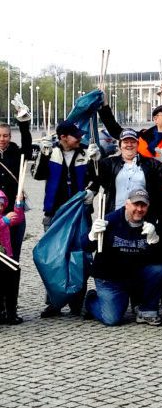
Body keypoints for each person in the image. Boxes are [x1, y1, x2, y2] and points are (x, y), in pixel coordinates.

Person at [99, 83, 162, 220]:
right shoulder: (141, 137)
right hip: (148, 192)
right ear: (155, 119)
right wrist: (104, 106)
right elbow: (115, 129)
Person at [33, 120, 91, 318]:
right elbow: (37, 175)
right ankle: (54, 302)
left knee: (78, 256)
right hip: (54, 212)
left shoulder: (85, 153)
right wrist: (43, 154)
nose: (80, 138)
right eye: (76, 135)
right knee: (53, 259)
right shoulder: (52, 152)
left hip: (78, 212)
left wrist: (92, 187)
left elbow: (97, 179)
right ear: (63, 137)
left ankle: (77, 302)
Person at [84, 189, 162, 326]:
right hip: (110, 279)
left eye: (143, 205)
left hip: (134, 274)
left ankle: (146, 311)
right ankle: (91, 300)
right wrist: (92, 235)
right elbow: (86, 247)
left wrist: (155, 240)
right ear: (127, 204)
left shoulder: (151, 222)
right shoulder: (110, 220)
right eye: (136, 205)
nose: (139, 209)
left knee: (158, 270)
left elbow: (161, 258)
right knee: (112, 319)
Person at [87, 128, 162, 214]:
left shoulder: (151, 163)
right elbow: (95, 176)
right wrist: (93, 161)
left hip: (142, 215)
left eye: (133, 142)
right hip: (115, 215)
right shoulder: (109, 163)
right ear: (120, 145)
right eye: (125, 142)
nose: (129, 145)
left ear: (138, 144)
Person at [0, 95, 32, 266]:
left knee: (13, 259)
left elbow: (27, 149)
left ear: (10, 137)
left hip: (14, 211)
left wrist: (23, 124)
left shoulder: (16, 153)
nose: (2, 139)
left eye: (5, 136)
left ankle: (11, 292)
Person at [0, 190, 26, 324]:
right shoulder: (4, 219)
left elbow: (19, 218)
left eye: (1, 204)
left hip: (6, 257)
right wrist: (4, 220)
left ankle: (10, 313)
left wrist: (19, 203)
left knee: (10, 283)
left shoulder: (5, 216)